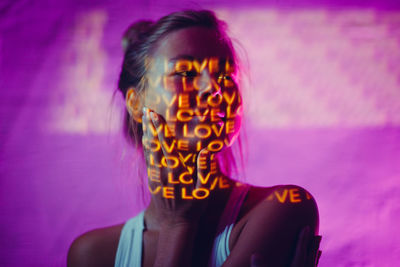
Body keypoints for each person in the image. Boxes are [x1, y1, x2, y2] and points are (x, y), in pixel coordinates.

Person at [67, 9, 321, 267]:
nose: (213, 88)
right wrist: (178, 224)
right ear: (136, 102)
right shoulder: (92, 255)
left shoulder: (283, 208)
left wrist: (178, 224)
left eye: (225, 75)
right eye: (185, 73)